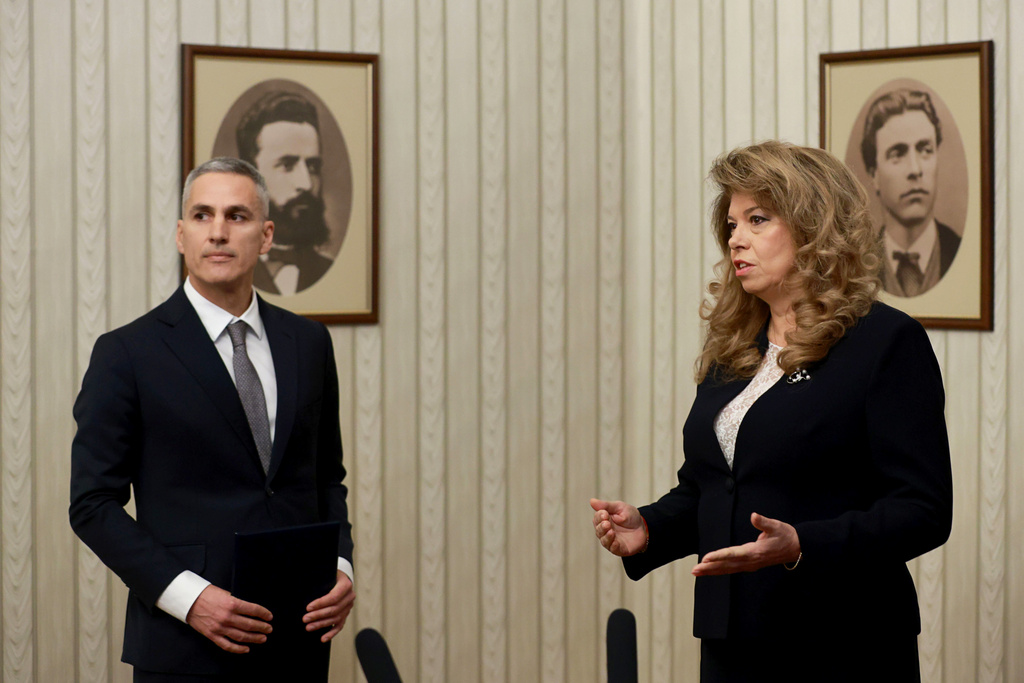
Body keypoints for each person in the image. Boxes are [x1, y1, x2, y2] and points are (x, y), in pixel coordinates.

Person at [591, 142, 952, 682]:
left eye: (757, 220)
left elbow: (923, 511)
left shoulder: (885, 343)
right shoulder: (735, 346)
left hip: (843, 642)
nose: (736, 238)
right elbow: (712, 487)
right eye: (732, 224)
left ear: (813, 228)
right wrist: (650, 528)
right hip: (733, 641)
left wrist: (802, 544)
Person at [70, 157, 355, 681]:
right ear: (182, 235)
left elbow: (325, 479)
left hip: (298, 642)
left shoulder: (309, 342)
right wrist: (190, 597)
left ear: (266, 236)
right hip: (185, 646)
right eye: (202, 215)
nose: (218, 232)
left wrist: (339, 565)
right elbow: (92, 504)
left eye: (237, 216)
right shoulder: (126, 353)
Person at [860, 87, 961, 297]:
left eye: (925, 150)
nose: (915, 170)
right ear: (873, 173)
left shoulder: (958, 250)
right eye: (897, 154)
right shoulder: (858, 265)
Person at [236, 90, 335, 296]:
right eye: (287, 165)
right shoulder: (224, 270)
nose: (306, 184)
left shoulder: (330, 271)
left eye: (312, 167)